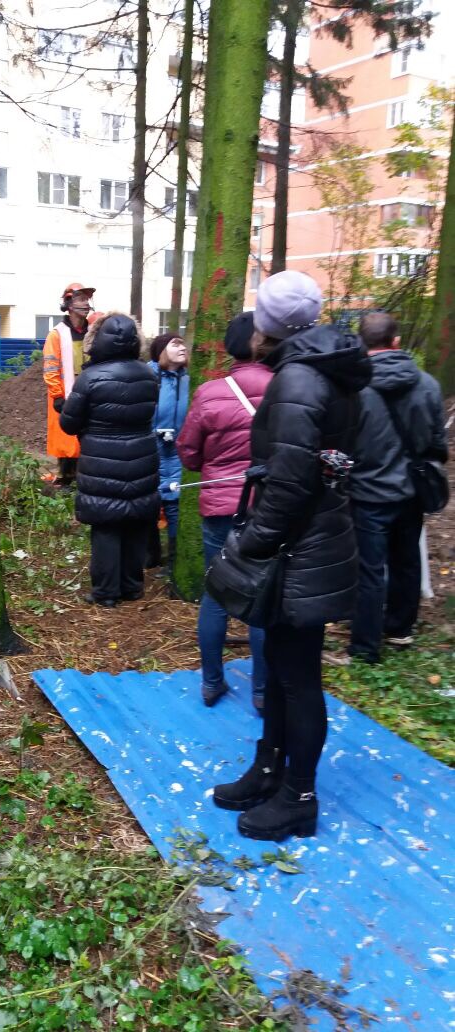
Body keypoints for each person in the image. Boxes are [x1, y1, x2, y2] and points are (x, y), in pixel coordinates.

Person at [211, 271, 371, 842]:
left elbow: (291, 478)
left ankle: (298, 796)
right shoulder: (325, 369)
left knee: (298, 677)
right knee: (280, 669)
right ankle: (269, 770)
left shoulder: (300, 378)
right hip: (308, 538)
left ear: (267, 327)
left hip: (299, 546)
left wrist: (251, 543)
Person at [176, 312, 273, 711]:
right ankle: (263, 692)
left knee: (217, 595)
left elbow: (189, 451)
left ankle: (212, 682)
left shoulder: (210, 392)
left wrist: (216, 465)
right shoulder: (286, 387)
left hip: (220, 506)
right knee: (263, 599)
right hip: (269, 508)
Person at [346, 311, 448, 663]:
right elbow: (438, 445)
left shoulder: (353, 387)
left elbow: (344, 442)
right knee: (406, 561)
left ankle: (364, 647)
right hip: (411, 490)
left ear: (361, 343)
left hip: (366, 492)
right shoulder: (429, 385)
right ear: (396, 342)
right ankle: (400, 630)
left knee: (369, 569)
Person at [59, 313, 159, 607]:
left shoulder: (90, 377)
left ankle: (105, 592)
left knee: (106, 526)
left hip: (101, 460)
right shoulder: (149, 375)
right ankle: (132, 586)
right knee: (136, 522)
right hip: (142, 455)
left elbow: (69, 424)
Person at [43, 283, 95, 487]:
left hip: (89, 390)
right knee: (65, 436)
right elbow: (50, 366)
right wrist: (57, 395)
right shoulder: (57, 334)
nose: (86, 303)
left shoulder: (93, 331)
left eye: (87, 299)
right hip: (65, 392)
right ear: (69, 304)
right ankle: (66, 477)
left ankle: (86, 475)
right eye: (81, 299)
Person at [148, 333, 189, 572]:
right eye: (176, 344)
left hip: (178, 452)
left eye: (183, 343)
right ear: (161, 350)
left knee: (174, 503)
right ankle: (149, 555)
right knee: (149, 503)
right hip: (151, 450)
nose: (182, 347)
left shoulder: (187, 379)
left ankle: (173, 561)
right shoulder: (148, 376)